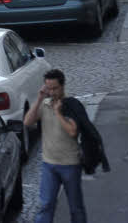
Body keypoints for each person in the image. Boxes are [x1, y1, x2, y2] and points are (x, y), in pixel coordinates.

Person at [25, 69, 87, 223]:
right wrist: (39, 99)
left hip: (70, 164)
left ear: (63, 86)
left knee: (75, 207)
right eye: (48, 88)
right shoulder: (45, 104)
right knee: (46, 204)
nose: (51, 92)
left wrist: (58, 113)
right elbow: (27, 122)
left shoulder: (71, 106)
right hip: (49, 164)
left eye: (55, 88)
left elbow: (73, 131)